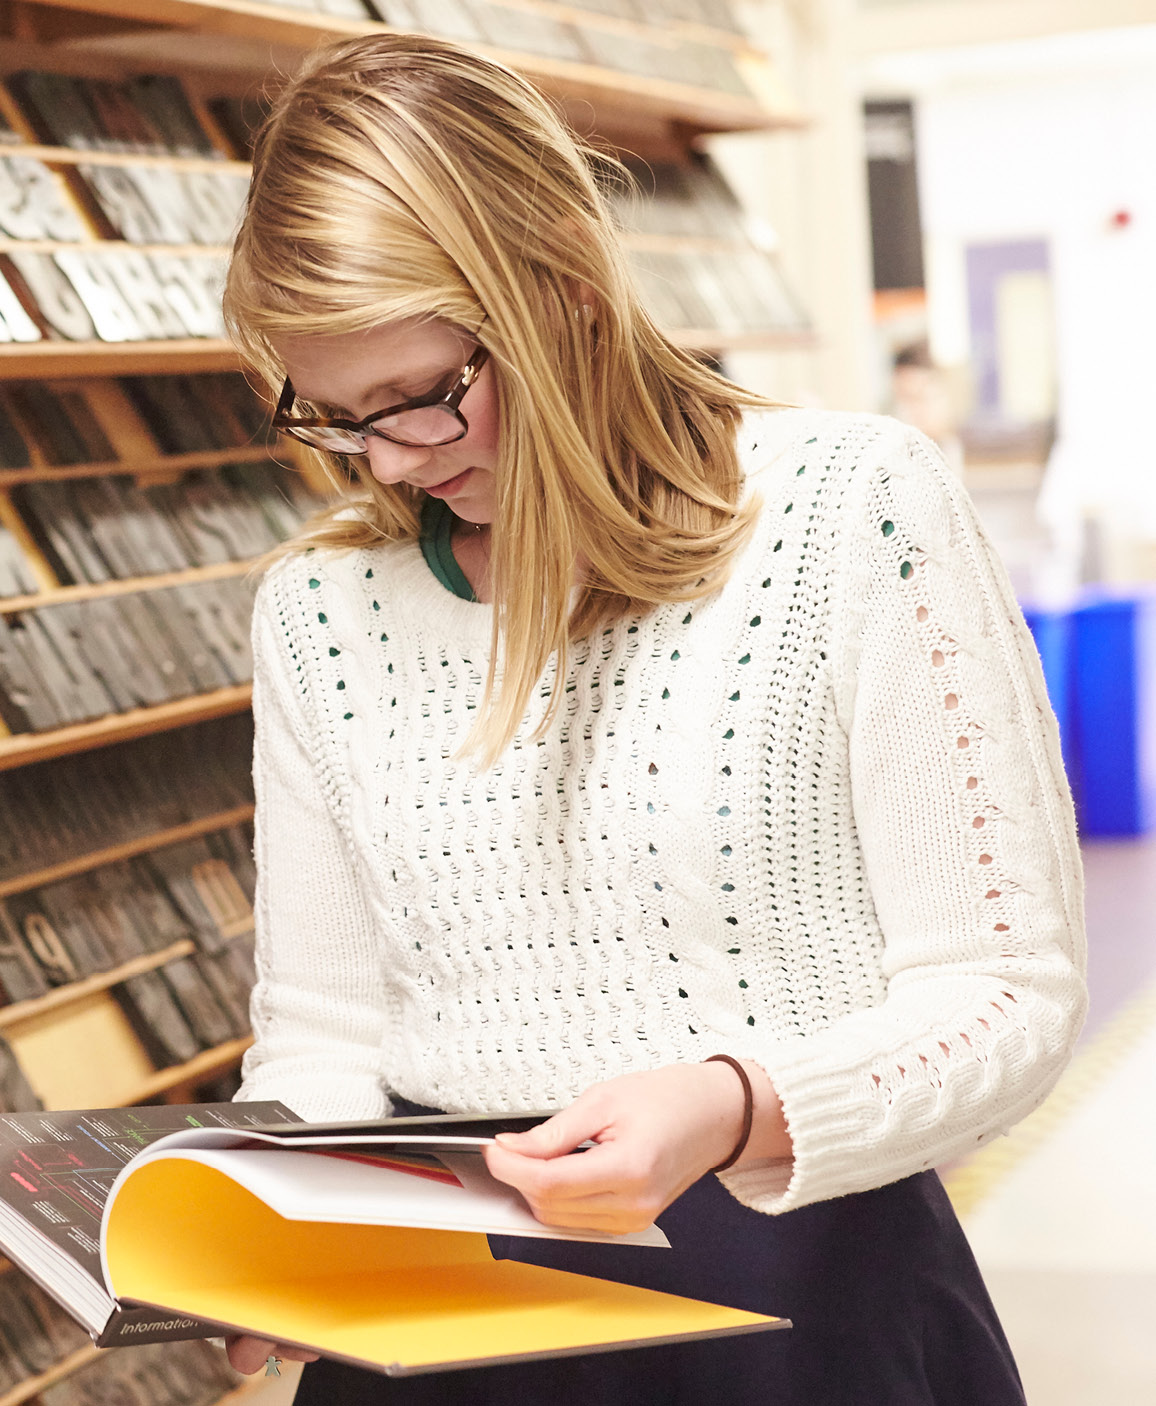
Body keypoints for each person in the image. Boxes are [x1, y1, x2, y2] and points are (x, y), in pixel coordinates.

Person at [221, 32, 1083, 1405]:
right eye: (334, 416)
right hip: (440, 1339)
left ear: (565, 286)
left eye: (425, 398)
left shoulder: (851, 511)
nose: (393, 461)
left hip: (791, 1305)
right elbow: (322, 1037)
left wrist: (736, 1100)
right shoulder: (321, 615)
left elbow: (1008, 995)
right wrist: (262, 1229)